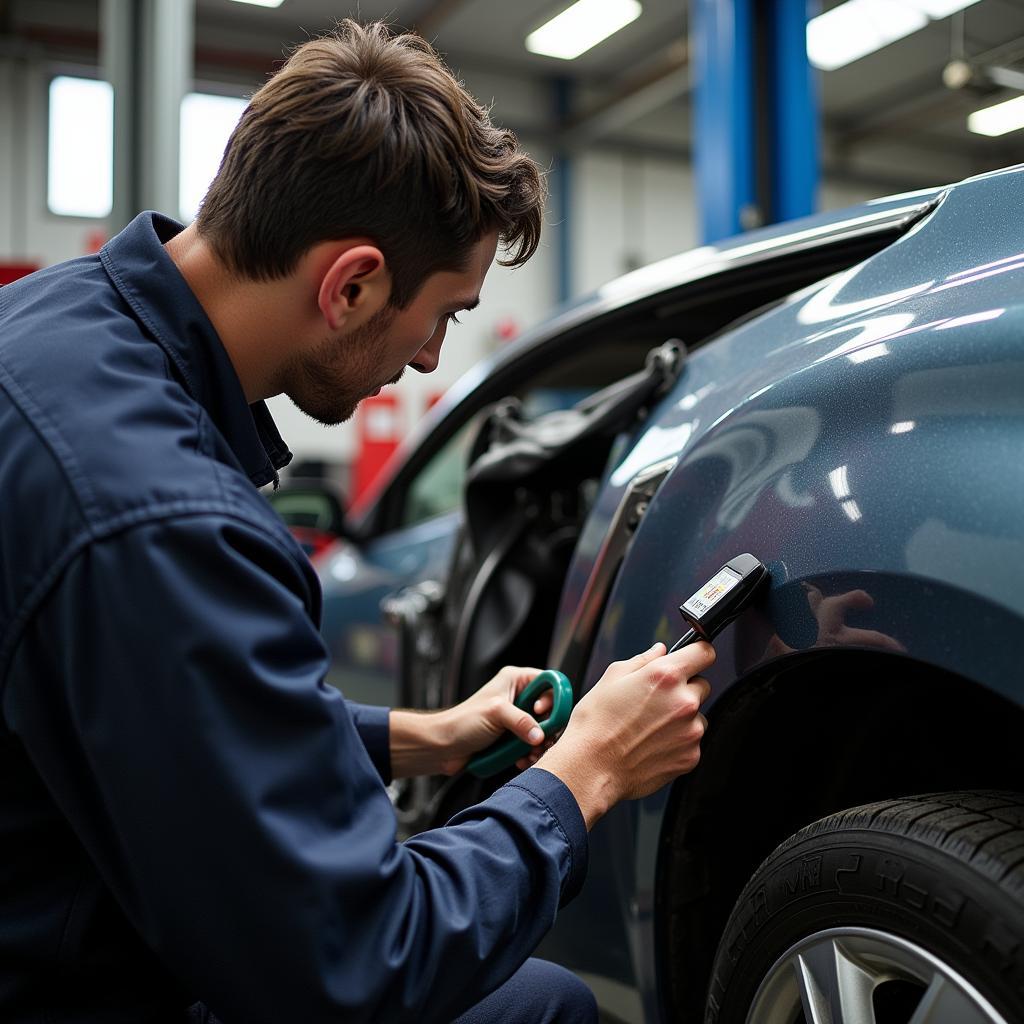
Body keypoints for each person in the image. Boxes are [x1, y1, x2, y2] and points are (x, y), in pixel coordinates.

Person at [0, 20, 714, 1023]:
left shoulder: (52, 323)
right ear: (353, 283)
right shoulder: (162, 523)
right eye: (447, 315)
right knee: (544, 1007)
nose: (428, 359)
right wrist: (584, 771)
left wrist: (421, 735)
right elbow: (356, 964)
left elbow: (155, 711)